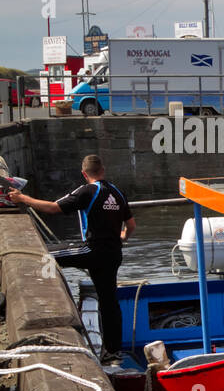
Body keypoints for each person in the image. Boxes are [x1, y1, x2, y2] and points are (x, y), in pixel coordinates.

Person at [12, 155, 134, 363]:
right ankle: (113, 352)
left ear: (84, 174)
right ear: (102, 170)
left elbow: (53, 208)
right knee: (109, 301)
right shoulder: (118, 193)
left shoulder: (87, 191)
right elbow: (130, 226)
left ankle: (43, 303)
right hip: (113, 254)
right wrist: (121, 237)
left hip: (93, 251)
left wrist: (23, 199)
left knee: (46, 256)